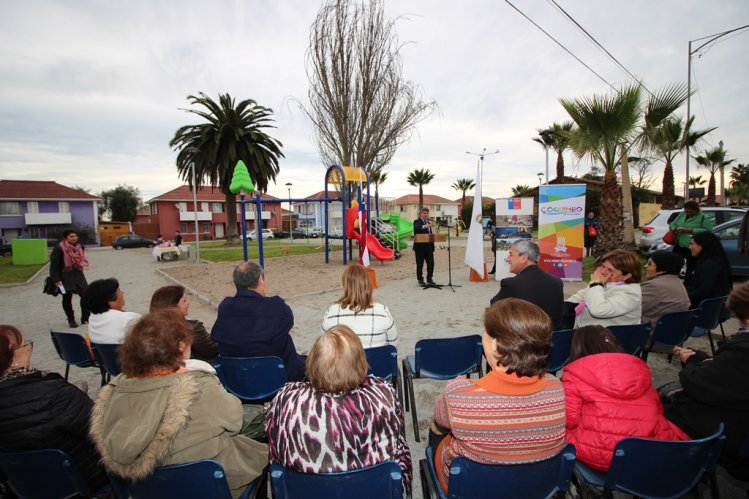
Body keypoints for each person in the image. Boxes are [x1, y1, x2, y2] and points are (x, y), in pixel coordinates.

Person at [89, 310, 268, 497]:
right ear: (181, 346)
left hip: (150, 488)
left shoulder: (117, 390)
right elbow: (235, 420)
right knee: (262, 440)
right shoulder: (198, 385)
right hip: (211, 486)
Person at [429, 298, 566, 492]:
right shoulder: (556, 387)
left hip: (472, 488)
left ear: (495, 345)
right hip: (535, 486)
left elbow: (439, 423)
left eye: (484, 333)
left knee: (436, 428)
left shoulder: (459, 394)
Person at [266, 325, 411, 493]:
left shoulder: (286, 400)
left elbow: (271, 436)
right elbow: (397, 434)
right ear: (360, 363)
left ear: (312, 362)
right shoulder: (384, 396)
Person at [563, 325, 689, 472]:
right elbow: (658, 410)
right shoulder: (639, 369)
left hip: (600, 453)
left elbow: (570, 421)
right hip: (646, 449)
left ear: (577, 347)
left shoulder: (573, 373)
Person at [0, 325, 108, 493]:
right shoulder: (54, 394)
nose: (29, 349)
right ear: (11, 357)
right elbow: (103, 433)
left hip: (26, 486)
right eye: (24, 345)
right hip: (84, 480)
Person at [663, 280, 749, 481]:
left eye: (742, 320)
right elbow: (727, 375)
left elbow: (697, 384)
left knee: (657, 404)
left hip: (723, 428)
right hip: (735, 416)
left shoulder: (743, 351)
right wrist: (700, 359)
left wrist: (693, 364)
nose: (740, 325)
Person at [211, 261, 305, 381]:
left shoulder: (225, 307)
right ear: (260, 279)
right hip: (276, 379)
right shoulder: (275, 306)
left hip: (236, 380)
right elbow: (288, 322)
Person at [490, 240, 564, 329]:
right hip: (554, 339)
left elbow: (493, 308)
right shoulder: (556, 282)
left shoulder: (511, 284)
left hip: (524, 339)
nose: (508, 258)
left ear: (524, 258)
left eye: (511, 254)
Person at [321, 264, 397, 348]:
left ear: (345, 285)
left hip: (344, 360)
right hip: (375, 360)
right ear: (368, 284)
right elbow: (392, 345)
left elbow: (324, 345)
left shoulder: (331, 313)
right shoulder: (382, 311)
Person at [567, 249, 642, 328]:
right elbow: (581, 296)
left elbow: (599, 310)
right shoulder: (606, 284)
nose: (603, 271)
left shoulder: (630, 293)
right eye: (603, 266)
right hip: (589, 333)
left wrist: (596, 283)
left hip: (612, 337)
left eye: (610, 270)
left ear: (626, 276)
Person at [150, 285, 217, 362]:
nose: (189, 302)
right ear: (173, 308)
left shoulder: (147, 330)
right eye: (184, 300)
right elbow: (211, 351)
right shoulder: (192, 328)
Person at [50, 229, 90, 328]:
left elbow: (81, 260)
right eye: (71, 236)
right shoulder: (59, 249)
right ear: (66, 238)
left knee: (86, 296)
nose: (74, 238)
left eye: (75, 236)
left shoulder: (79, 247)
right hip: (64, 277)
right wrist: (56, 279)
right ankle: (71, 319)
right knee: (67, 298)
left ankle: (85, 317)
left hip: (78, 275)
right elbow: (53, 266)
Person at [82, 278, 141, 344]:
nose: (123, 293)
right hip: (125, 353)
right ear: (110, 300)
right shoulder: (128, 318)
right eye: (119, 291)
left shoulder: (93, 318)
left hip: (102, 354)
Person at [640, 251, 691, 326]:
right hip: (672, 332)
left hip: (649, 331)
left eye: (650, 264)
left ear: (663, 267)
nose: (645, 266)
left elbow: (632, 308)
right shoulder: (677, 282)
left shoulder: (654, 286)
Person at [684, 231, 732, 308]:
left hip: (704, 308)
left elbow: (704, 291)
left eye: (692, 244)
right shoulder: (714, 261)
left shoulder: (711, 264)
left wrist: (682, 298)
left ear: (702, 246)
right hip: (709, 307)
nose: (689, 247)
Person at [669, 201, 713, 277]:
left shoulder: (703, 217)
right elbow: (672, 224)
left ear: (696, 210)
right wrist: (675, 228)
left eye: (690, 212)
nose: (688, 213)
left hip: (693, 245)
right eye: (686, 211)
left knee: (691, 265)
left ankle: (689, 282)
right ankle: (674, 278)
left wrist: (691, 230)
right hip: (679, 243)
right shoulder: (682, 215)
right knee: (674, 262)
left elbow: (708, 230)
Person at [413, 207, 436, 286]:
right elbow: (417, 228)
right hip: (420, 247)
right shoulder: (417, 222)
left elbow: (430, 235)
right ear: (420, 214)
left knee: (431, 263)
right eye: (424, 213)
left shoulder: (429, 222)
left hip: (429, 246)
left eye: (427, 213)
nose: (426, 215)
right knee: (420, 264)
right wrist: (425, 226)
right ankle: (420, 279)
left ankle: (429, 278)